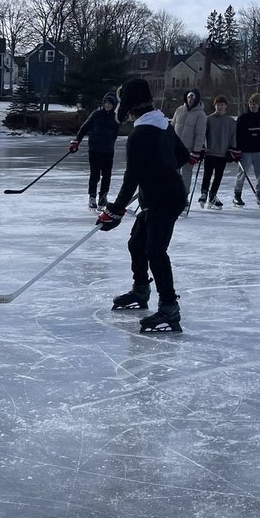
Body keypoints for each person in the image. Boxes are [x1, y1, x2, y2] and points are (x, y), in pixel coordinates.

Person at [96, 77, 189, 333]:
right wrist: (160, 170)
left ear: (128, 105)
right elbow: (182, 156)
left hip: (165, 200)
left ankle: (170, 308)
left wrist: (113, 210)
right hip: (160, 195)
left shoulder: (139, 135)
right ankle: (141, 290)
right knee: (136, 243)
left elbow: (131, 180)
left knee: (155, 251)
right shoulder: (162, 124)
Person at [70, 92, 120, 210]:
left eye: (110, 103)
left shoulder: (115, 117)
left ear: (114, 105)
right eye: (106, 103)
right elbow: (84, 129)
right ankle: (92, 197)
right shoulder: (96, 115)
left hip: (108, 151)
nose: (108, 105)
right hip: (95, 150)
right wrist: (76, 141)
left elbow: (115, 134)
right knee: (95, 175)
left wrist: (110, 143)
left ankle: (103, 197)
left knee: (107, 176)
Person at [233, 93, 260, 208]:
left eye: (255, 103)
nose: (252, 105)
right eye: (250, 103)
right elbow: (238, 136)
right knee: (241, 174)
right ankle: (237, 195)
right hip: (246, 151)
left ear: (259, 105)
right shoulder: (243, 118)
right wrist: (237, 150)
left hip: (259, 151)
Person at [199, 95, 238, 210]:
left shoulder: (230, 121)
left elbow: (233, 137)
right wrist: (201, 148)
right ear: (215, 106)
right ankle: (204, 192)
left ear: (226, 106)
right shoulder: (208, 119)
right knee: (207, 174)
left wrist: (232, 150)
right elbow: (202, 134)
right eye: (218, 105)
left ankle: (212, 195)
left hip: (223, 153)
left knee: (218, 176)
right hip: (210, 152)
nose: (220, 107)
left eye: (222, 105)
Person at [171, 89, 206, 201]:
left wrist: (196, 152)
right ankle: (173, 194)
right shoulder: (179, 110)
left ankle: (184, 196)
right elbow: (171, 127)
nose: (190, 99)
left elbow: (200, 135)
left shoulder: (201, 114)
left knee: (186, 174)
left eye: (193, 98)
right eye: (189, 97)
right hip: (175, 147)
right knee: (173, 172)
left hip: (188, 149)